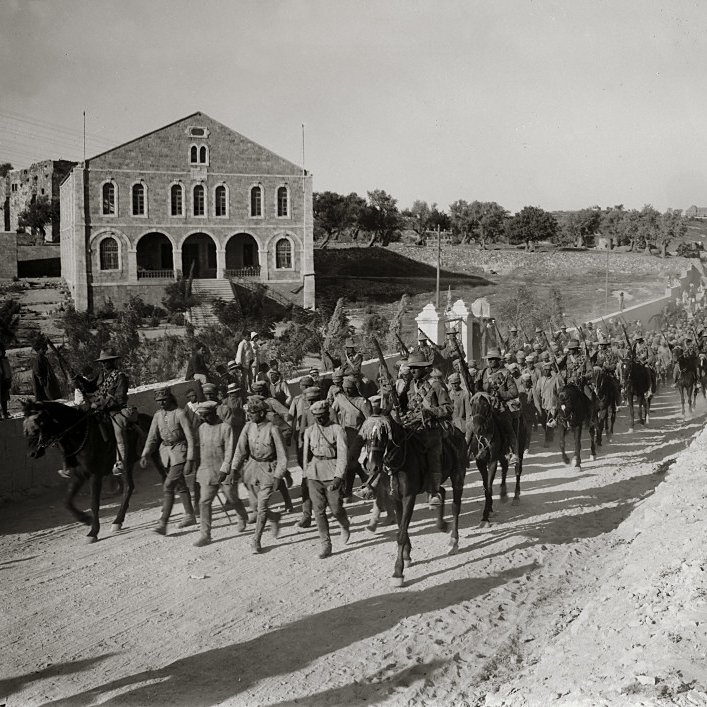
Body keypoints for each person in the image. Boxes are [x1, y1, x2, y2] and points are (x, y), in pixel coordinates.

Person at [230, 396, 288, 554]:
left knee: (261, 507)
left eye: (254, 413)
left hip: (268, 469)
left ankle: (256, 540)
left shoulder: (273, 429)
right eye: (249, 413)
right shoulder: (248, 427)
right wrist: (234, 468)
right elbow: (240, 450)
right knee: (256, 506)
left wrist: (278, 476)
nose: (250, 415)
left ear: (262, 413)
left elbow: (283, 456)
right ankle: (274, 517)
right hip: (251, 469)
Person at [140, 387, 197, 535]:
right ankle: (190, 515)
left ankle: (163, 523)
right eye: (159, 401)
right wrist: (145, 454)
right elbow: (152, 437)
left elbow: (190, 437)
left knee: (169, 485)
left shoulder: (180, 413)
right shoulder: (157, 416)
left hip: (180, 452)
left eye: (164, 400)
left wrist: (190, 458)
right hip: (165, 454)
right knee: (180, 485)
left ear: (170, 398)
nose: (161, 403)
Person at [193, 400, 247, 546]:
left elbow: (230, 451)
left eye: (206, 415)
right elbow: (201, 450)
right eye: (201, 416)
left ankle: (242, 516)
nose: (203, 418)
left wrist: (225, 469)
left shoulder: (226, 428)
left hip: (224, 471)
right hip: (207, 472)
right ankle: (205, 535)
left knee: (232, 498)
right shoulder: (202, 428)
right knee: (204, 502)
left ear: (213, 413)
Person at [303, 399, 351, 558]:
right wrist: (306, 474)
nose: (320, 419)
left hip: (332, 471)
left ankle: (344, 524)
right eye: (317, 417)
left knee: (336, 508)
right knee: (319, 511)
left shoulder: (337, 430)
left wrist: (339, 477)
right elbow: (306, 456)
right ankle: (326, 544)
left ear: (328, 414)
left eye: (323, 416)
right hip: (314, 472)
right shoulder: (309, 431)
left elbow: (343, 455)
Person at [404, 351, 452, 506]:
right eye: (411, 368)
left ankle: (435, 491)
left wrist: (430, 412)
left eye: (416, 368)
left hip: (432, 428)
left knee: (433, 455)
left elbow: (448, 408)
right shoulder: (411, 385)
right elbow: (409, 407)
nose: (412, 371)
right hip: (413, 427)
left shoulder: (436, 384)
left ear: (425, 368)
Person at [74, 347, 130, 475]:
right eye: (102, 362)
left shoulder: (120, 377)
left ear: (113, 361)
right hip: (99, 409)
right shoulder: (102, 374)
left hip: (115, 411)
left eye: (107, 361)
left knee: (119, 432)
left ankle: (121, 461)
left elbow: (120, 398)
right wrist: (79, 380)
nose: (104, 364)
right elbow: (91, 386)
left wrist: (101, 405)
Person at [474, 348, 520, 464]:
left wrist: (500, 394)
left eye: (493, 359)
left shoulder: (506, 373)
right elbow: (478, 388)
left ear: (498, 360)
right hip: (485, 407)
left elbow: (514, 392)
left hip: (500, 407)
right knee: (474, 424)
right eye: (489, 359)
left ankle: (513, 453)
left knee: (508, 427)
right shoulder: (483, 373)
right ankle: (474, 450)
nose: (490, 361)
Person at [330, 375, 371, 501]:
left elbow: (369, 420)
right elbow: (332, 412)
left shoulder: (362, 401)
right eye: (345, 388)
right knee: (347, 462)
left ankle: (348, 491)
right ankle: (363, 479)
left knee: (350, 462)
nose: (347, 391)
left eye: (350, 388)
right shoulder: (340, 399)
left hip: (358, 435)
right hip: (343, 434)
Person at [31, 336, 61, 401]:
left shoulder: (44, 358)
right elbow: (38, 372)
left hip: (48, 383)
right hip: (44, 385)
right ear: (38, 349)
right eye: (43, 349)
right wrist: (44, 382)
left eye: (45, 348)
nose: (45, 350)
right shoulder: (38, 360)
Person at [0, 343, 11, 419]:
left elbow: (7, 371)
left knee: (4, 399)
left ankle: (5, 413)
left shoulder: (4, 360)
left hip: (4, 382)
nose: (4, 352)